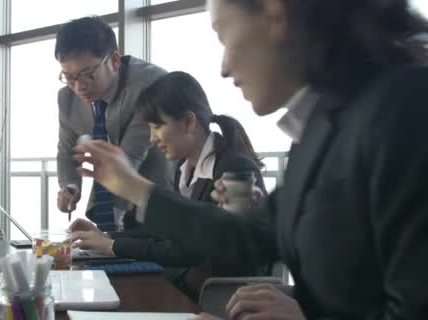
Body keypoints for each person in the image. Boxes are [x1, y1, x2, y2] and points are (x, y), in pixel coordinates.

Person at [73, 0, 428, 319]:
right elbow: (249, 233)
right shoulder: (320, 129)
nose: (225, 67)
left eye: (223, 37)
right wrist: (134, 188)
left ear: (275, 14)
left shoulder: (405, 110)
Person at [70, 71, 267, 301]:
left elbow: (191, 250)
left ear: (188, 122)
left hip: (221, 298)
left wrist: (112, 246)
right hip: (190, 286)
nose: (152, 138)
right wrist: (106, 236)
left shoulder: (235, 169)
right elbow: (168, 234)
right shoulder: (185, 168)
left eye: (157, 126)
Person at [55, 16, 174, 232]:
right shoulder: (67, 98)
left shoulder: (149, 83)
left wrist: (106, 232)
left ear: (115, 61)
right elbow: (66, 151)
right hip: (118, 202)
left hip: (158, 200)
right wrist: (70, 187)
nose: (79, 86)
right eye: (69, 76)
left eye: (87, 74)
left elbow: (130, 157)